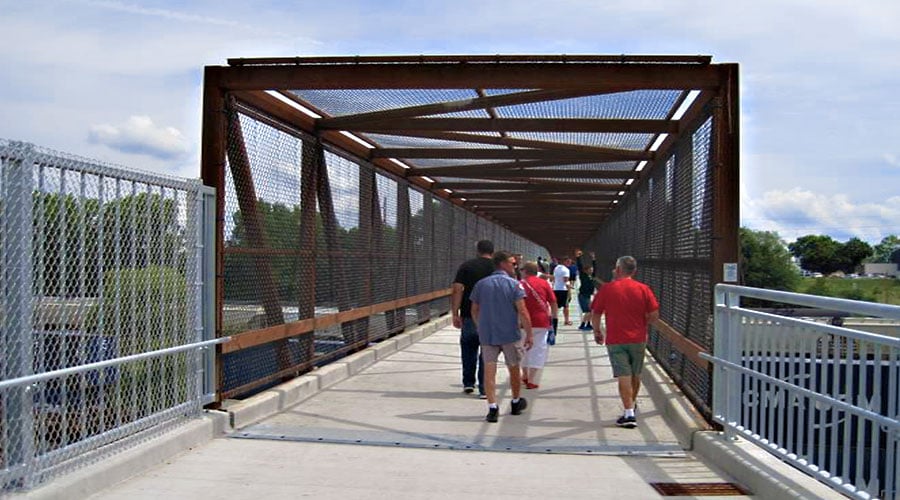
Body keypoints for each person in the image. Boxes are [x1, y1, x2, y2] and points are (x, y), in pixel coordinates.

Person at [591, 256, 660, 429]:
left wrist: (597, 331)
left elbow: (596, 312)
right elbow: (654, 315)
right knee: (635, 374)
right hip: (638, 338)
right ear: (634, 271)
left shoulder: (607, 289)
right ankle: (631, 405)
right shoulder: (643, 289)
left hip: (616, 339)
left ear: (618, 269)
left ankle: (629, 413)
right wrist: (642, 322)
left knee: (623, 375)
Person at [470, 251, 534, 422]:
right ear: (503, 264)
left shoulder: (481, 284)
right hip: (509, 334)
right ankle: (515, 401)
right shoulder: (514, 285)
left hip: (488, 334)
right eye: (512, 263)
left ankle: (492, 407)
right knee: (514, 368)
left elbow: (474, 310)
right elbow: (522, 311)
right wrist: (529, 333)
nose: (515, 266)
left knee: (489, 371)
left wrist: (480, 326)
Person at [451, 240, 495, 397]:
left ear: (477, 250)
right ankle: (484, 387)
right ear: (492, 252)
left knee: (468, 348)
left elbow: (457, 289)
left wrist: (455, 313)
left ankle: (469, 383)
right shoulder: (497, 268)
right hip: (491, 316)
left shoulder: (467, 266)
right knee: (487, 351)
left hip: (469, 315)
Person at [519, 261, 558, 389]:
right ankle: (532, 379)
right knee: (538, 349)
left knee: (523, 348)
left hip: (523, 322)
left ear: (524, 271)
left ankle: (524, 375)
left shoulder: (519, 284)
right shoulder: (544, 283)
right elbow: (553, 302)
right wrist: (554, 318)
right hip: (541, 321)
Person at [575, 249, 600, 331]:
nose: (592, 270)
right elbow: (579, 266)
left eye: (592, 270)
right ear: (586, 270)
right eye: (590, 270)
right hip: (583, 295)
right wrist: (578, 257)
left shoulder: (591, 276)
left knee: (590, 311)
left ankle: (588, 324)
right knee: (588, 311)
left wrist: (593, 259)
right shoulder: (583, 275)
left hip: (588, 295)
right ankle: (582, 325)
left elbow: (595, 269)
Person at [552, 257, 572, 326]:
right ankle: (566, 320)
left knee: (556, 306)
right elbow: (565, 281)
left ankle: (554, 319)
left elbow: (554, 278)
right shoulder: (566, 270)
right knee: (566, 306)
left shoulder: (556, 268)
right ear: (564, 261)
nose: (570, 263)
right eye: (568, 262)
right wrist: (569, 289)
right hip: (563, 290)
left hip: (555, 289)